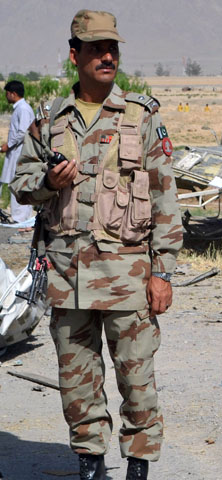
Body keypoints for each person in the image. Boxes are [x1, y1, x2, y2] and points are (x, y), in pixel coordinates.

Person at [11, 10, 183, 480]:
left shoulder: (142, 117)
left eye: (113, 49)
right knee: (77, 380)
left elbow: (166, 199)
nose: (107, 56)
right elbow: (21, 186)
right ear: (75, 55)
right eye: (95, 49)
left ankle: (138, 467)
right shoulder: (48, 120)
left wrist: (163, 273)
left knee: (136, 377)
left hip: (129, 276)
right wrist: (47, 181)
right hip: (68, 277)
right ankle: (89, 463)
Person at [2, 80, 35, 226]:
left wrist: (8, 145)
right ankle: (20, 218)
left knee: (18, 184)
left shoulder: (23, 109)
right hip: (16, 152)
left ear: (13, 94)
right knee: (14, 183)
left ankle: (20, 219)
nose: (6, 97)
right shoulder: (21, 108)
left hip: (19, 152)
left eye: (7, 94)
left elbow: (22, 132)